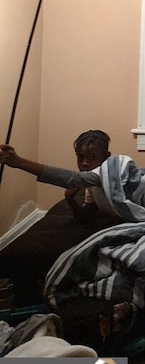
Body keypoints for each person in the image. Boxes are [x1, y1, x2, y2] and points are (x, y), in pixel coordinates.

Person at [0, 130, 116, 306]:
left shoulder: (110, 175)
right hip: (93, 225)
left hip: (112, 232)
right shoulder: (90, 184)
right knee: (25, 245)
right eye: (80, 157)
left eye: (92, 157)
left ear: (106, 157)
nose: (84, 163)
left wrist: (19, 162)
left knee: (21, 252)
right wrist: (71, 200)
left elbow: (69, 177)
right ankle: (27, 301)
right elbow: (85, 217)